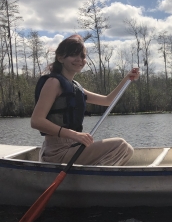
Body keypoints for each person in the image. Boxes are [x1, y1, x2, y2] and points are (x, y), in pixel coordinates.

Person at [31, 34, 140, 166]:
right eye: (73, 55)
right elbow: (36, 121)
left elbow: (107, 101)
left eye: (82, 56)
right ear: (60, 58)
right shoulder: (53, 82)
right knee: (120, 145)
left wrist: (127, 79)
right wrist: (75, 135)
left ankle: (92, 180)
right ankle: (95, 181)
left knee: (127, 149)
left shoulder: (75, 87)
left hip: (73, 147)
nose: (79, 59)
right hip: (56, 152)